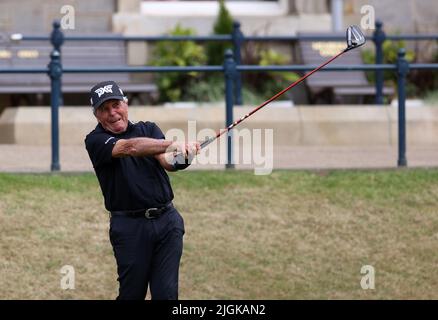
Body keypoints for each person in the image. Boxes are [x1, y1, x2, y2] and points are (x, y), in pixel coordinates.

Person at [84, 80, 200, 300]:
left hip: (168, 222)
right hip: (129, 228)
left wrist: (185, 155)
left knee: (166, 295)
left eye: (116, 105)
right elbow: (130, 147)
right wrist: (171, 143)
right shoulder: (96, 140)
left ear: (126, 104)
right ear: (97, 115)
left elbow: (167, 162)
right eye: (104, 109)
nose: (112, 113)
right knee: (131, 295)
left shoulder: (148, 128)